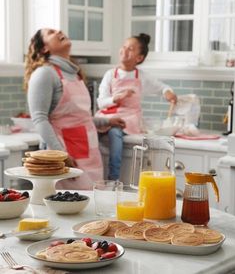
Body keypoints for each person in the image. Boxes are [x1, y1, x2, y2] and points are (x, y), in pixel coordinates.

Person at [24, 28, 126, 190]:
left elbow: (79, 118)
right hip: (66, 154)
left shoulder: (75, 74)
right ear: (44, 48)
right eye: (51, 32)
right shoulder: (45, 74)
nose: (59, 31)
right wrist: (60, 156)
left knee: (92, 206)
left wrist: (106, 121)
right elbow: (39, 118)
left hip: (90, 155)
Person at [95, 33, 177, 181]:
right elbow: (101, 102)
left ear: (139, 58)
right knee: (91, 132)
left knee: (114, 133)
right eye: (124, 46)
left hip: (128, 119)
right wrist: (116, 98)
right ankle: (93, 175)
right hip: (108, 116)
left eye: (130, 49)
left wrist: (168, 92)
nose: (124, 50)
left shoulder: (142, 77)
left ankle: (113, 179)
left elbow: (162, 87)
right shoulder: (110, 74)